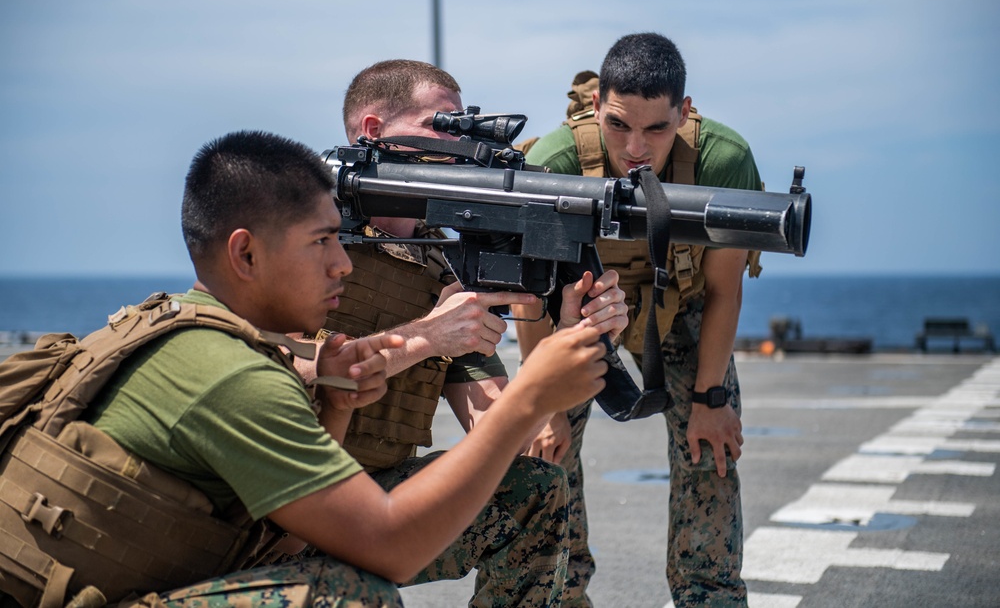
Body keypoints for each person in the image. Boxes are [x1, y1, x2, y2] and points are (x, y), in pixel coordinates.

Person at [38, 130, 608, 606]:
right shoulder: (227, 372)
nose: (341, 265)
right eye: (322, 243)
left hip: (212, 557)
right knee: (348, 595)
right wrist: (530, 393)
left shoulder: (212, 333)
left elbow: (281, 540)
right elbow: (387, 546)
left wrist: (335, 404)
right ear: (246, 254)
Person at [317, 59, 627, 607]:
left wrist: (573, 338)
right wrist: (430, 337)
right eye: (442, 125)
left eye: (464, 125)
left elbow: (496, 422)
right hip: (287, 499)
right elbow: (283, 371)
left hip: (378, 493)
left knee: (534, 489)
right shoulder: (311, 234)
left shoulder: (441, 258)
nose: (460, 142)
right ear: (373, 132)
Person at [513, 33, 763, 608]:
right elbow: (530, 302)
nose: (636, 147)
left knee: (712, 449)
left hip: (684, 300)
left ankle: (710, 596)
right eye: (620, 124)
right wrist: (543, 407)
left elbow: (724, 290)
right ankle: (560, 595)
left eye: (657, 129)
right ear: (597, 103)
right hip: (578, 312)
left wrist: (711, 396)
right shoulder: (553, 163)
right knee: (542, 454)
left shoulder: (722, 162)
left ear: (685, 111)